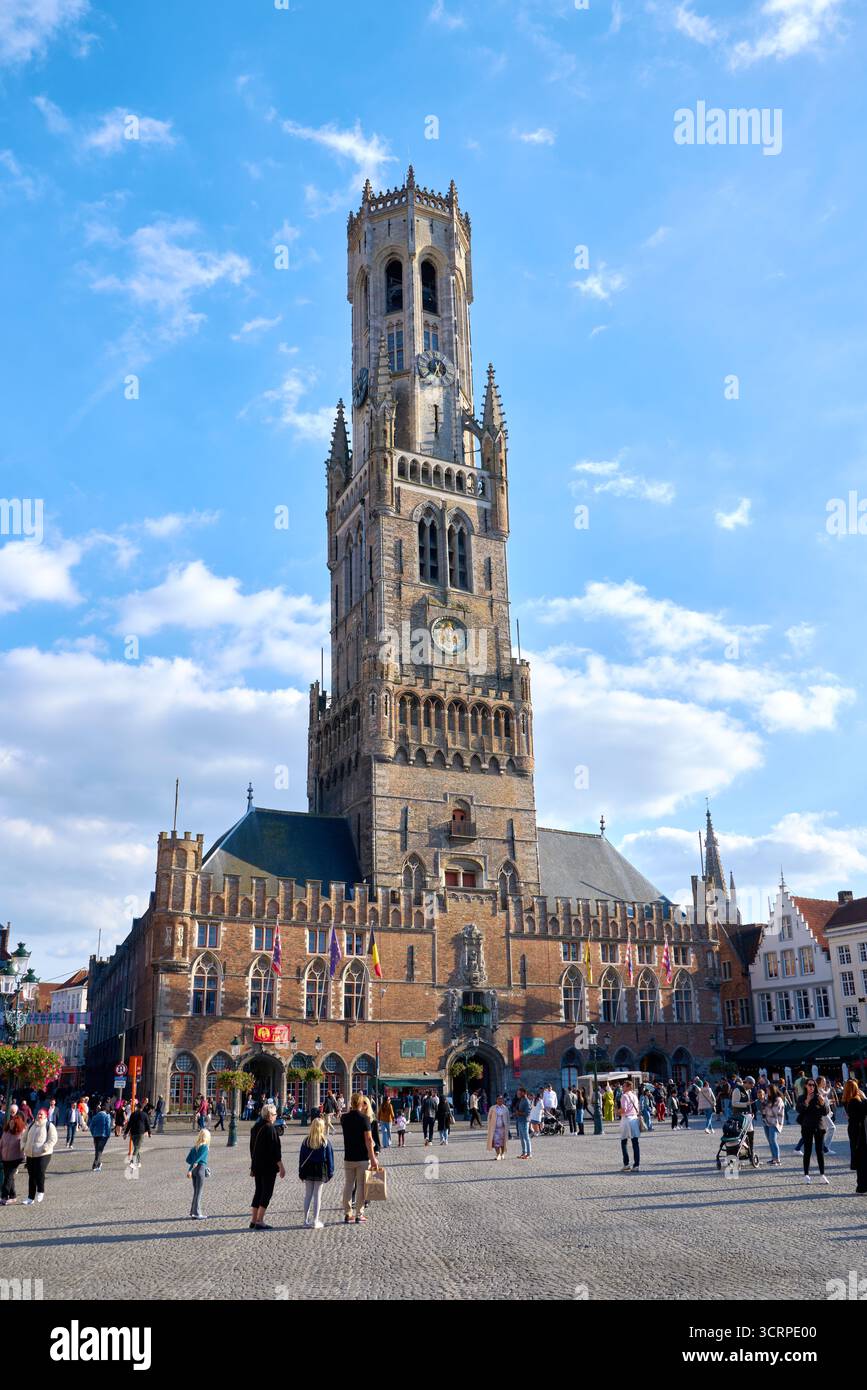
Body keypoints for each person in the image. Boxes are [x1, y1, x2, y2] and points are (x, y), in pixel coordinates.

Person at [340, 1092, 379, 1225]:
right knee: (361, 1186)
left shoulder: (344, 1118)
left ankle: (347, 1213)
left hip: (348, 1157)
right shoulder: (365, 1119)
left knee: (348, 1185)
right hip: (362, 1157)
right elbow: (368, 1140)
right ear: (361, 1104)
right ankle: (359, 1214)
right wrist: (373, 1157)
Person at [249, 1102, 285, 1230]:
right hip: (268, 1166)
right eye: (275, 1114)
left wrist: (253, 1164)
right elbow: (275, 1149)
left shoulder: (255, 1127)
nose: (276, 1116)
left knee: (258, 1191)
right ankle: (259, 1220)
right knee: (266, 1192)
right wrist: (281, 1165)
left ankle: (253, 1220)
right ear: (270, 1115)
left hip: (257, 1165)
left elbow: (251, 1148)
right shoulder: (270, 1128)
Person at [299, 1116, 334, 1229]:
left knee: (307, 1195)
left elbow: (301, 1157)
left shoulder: (306, 1141)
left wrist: (300, 1171)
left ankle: (305, 1220)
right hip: (320, 1169)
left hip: (308, 1168)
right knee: (317, 1196)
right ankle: (315, 1220)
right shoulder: (325, 1142)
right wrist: (330, 1172)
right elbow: (330, 1159)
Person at [22, 1107, 57, 1205]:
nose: (39, 1115)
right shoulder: (32, 1124)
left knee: (40, 1171)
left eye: (41, 1114)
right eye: (38, 1114)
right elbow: (23, 1137)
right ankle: (30, 1197)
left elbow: (53, 1138)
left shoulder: (49, 1125)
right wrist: (23, 1146)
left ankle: (41, 1191)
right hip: (30, 1154)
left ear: (46, 1115)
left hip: (44, 1153)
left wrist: (46, 1147)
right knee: (31, 1175)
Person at [797, 1079, 830, 1185]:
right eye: (810, 1085)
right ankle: (806, 1175)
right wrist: (806, 1101)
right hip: (807, 1127)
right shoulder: (802, 1098)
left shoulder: (818, 1096)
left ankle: (822, 1175)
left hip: (819, 1127)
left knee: (820, 1151)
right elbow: (799, 1110)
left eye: (813, 1085)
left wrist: (822, 1102)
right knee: (807, 1151)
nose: (812, 1087)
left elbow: (825, 1112)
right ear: (806, 1086)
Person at [843, 1078, 867, 1194]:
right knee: (862, 1158)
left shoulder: (846, 1100)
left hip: (853, 1130)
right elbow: (865, 1110)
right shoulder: (855, 1101)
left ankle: (861, 1185)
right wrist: (865, 1098)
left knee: (859, 1158)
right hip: (859, 1131)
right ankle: (862, 1185)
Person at [0, 1110, 26, 1205]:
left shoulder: (20, 1133)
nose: (11, 1125)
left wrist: (25, 1157)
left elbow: (24, 1145)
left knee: (8, 1177)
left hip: (16, 1158)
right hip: (5, 1158)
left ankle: (4, 1196)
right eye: (10, 1123)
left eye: (13, 1124)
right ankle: (13, 1196)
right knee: (9, 1177)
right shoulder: (6, 1132)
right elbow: (1, 1144)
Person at [186, 1127, 210, 1219]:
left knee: (196, 1192)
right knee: (199, 1192)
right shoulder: (205, 1147)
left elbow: (188, 1160)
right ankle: (197, 1213)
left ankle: (193, 1212)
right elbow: (199, 1159)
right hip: (200, 1169)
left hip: (194, 1170)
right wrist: (196, 1161)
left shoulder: (195, 1147)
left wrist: (190, 1169)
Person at [618, 1079, 641, 1171]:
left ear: (628, 1087)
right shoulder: (634, 1096)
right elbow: (637, 1108)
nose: (622, 1087)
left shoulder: (624, 1096)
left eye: (623, 1086)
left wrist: (617, 1111)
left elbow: (624, 1109)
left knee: (624, 1141)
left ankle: (626, 1163)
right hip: (634, 1119)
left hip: (626, 1119)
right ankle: (636, 1165)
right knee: (635, 1142)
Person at [759, 1084, 784, 1166]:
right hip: (766, 1122)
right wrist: (763, 1102)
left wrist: (765, 1105)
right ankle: (773, 1158)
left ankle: (777, 1159)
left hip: (774, 1122)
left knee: (773, 1140)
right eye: (766, 1090)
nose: (767, 1092)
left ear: (772, 1090)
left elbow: (774, 1111)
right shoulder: (768, 1100)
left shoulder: (778, 1099)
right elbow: (763, 1111)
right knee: (770, 1141)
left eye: (768, 1090)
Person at [124, 1101, 151, 1167]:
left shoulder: (133, 1114)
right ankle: (132, 1161)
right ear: (142, 1108)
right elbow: (147, 1124)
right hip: (140, 1132)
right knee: (137, 1147)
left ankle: (138, 1162)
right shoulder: (145, 1114)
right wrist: (149, 1132)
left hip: (133, 1133)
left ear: (137, 1108)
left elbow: (129, 1124)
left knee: (136, 1147)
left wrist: (126, 1133)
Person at [89, 1103, 112, 1172]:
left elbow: (91, 1127)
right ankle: (95, 1165)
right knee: (99, 1150)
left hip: (96, 1135)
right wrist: (108, 1134)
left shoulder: (95, 1116)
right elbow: (108, 1126)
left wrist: (93, 1133)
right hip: (103, 1135)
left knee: (97, 1150)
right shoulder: (107, 1116)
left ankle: (99, 1164)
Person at [486, 1094, 510, 1160]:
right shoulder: (493, 1108)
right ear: (496, 1100)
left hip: (503, 1128)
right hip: (495, 1128)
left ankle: (502, 1154)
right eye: (498, 1099)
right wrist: (489, 1126)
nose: (500, 1100)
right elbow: (489, 1117)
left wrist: (508, 1127)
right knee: (496, 1142)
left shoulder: (505, 1108)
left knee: (502, 1142)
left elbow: (508, 1119)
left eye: (501, 1099)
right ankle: (498, 1154)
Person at [515, 1086, 532, 1159]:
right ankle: (524, 1152)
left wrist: (519, 1113)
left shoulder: (526, 1101)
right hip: (520, 1120)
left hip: (524, 1121)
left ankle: (529, 1154)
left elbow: (528, 1113)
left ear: (524, 1093)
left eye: (519, 1092)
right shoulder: (521, 1100)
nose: (518, 1094)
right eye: (518, 1092)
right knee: (521, 1138)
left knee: (526, 1138)